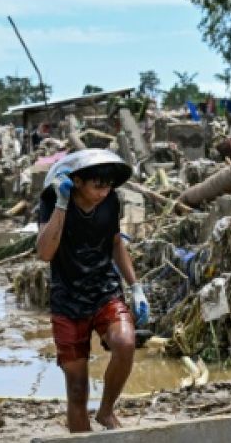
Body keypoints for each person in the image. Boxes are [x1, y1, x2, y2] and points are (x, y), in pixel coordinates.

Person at [36, 150, 148, 432]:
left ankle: (106, 411)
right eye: (97, 185)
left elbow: (115, 243)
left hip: (104, 289)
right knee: (76, 389)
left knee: (125, 342)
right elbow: (45, 253)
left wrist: (135, 286)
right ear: (77, 182)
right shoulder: (52, 200)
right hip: (68, 298)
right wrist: (62, 204)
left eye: (108, 185)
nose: (103, 192)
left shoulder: (111, 201)